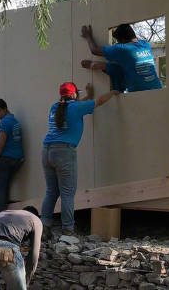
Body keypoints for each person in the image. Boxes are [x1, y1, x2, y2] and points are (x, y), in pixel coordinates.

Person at [41, 82, 119, 236]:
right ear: (74, 94)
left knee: (51, 191)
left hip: (46, 151)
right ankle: (68, 231)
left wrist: (88, 96)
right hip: (64, 152)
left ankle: (44, 226)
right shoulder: (76, 108)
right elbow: (100, 101)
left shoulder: (55, 107)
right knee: (67, 193)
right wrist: (113, 92)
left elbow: (78, 105)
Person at [81, 24, 162, 92]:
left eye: (118, 41)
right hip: (157, 88)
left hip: (140, 94)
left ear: (122, 40)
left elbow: (94, 50)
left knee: (114, 67)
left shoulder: (123, 49)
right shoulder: (145, 45)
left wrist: (88, 36)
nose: (117, 43)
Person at [0, 207, 42, 290]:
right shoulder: (35, 219)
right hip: (6, 249)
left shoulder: (4, 212)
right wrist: (26, 282)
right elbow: (34, 254)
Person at [0, 99, 24, 215]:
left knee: (0, 192)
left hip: (5, 160)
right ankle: (6, 217)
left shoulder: (4, 122)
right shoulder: (15, 121)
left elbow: (1, 144)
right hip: (17, 160)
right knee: (6, 189)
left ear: (5, 108)